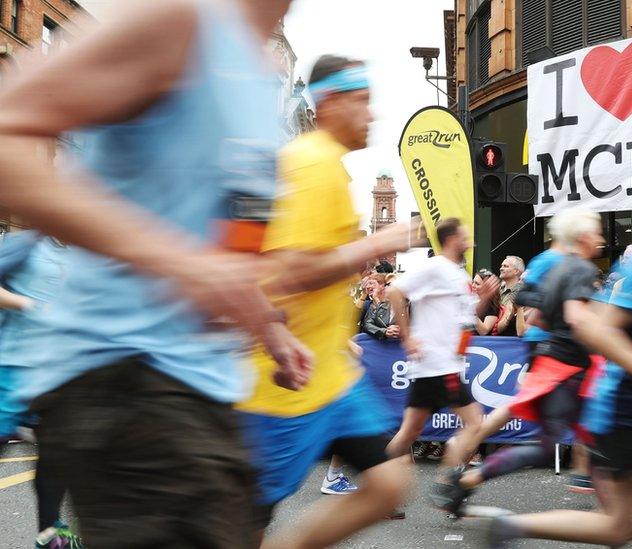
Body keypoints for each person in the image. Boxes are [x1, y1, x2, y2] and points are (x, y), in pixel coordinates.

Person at [0, 2, 330, 545]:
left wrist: (268, 327)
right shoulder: (180, 24)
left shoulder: (257, 78)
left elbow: (217, 240)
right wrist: (176, 262)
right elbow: (11, 131)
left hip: (200, 384)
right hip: (120, 373)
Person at [236, 55, 414, 547]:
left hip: (332, 377)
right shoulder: (309, 164)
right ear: (331, 102)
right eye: (363, 102)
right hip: (282, 386)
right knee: (244, 527)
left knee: (389, 483)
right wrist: (378, 243)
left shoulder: (329, 167)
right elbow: (293, 271)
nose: (371, 115)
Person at [484, 175, 632, 549]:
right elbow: (600, 329)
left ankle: (510, 527)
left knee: (618, 527)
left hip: (627, 410)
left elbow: (615, 322)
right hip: (631, 412)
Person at [432, 207, 605, 515]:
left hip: (554, 354)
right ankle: (460, 473)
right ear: (579, 236)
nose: (601, 240)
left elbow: (530, 304)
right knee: (553, 434)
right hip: (558, 357)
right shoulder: (570, 266)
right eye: (596, 231)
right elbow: (546, 310)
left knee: (566, 428)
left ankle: (460, 475)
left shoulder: (552, 263)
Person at [385, 218, 491, 509]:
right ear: (452, 239)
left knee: (409, 432)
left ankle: (378, 488)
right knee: (473, 422)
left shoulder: (458, 273)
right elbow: (395, 291)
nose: (469, 240)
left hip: (443, 365)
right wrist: (407, 337)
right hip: (438, 365)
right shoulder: (435, 267)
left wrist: (482, 300)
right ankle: (446, 484)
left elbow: (464, 320)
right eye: (464, 236)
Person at [0, 233, 83, 549]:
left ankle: (48, 536)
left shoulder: (85, 255)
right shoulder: (27, 243)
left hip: (56, 377)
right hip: (9, 370)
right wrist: (29, 304)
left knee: (55, 461)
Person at [362, 274, 398, 341]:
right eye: (388, 285)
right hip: (378, 341)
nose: (367, 286)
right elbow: (367, 324)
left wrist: (402, 330)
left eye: (371, 283)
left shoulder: (408, 304)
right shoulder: (370, 304)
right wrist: (384, 331)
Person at [495, 256, 525, 336]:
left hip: (512, 339)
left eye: (505, 266)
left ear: (516, 271)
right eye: (502, 266)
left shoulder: (523, 292)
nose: (501, 268)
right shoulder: (497, 290)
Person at [473, 269, 501, 335]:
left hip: (478, 343)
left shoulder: (492, 306)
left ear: (487, 287)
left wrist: (471, 313)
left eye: (477, 284)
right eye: (473, 282)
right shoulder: (470, 300)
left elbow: (484, 331)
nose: (473, 285)